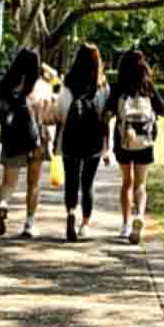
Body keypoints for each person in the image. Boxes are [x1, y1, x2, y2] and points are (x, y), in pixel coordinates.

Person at [52, 43, 112, 241]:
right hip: (93, 140)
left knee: (71, 180)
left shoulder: (68, 84)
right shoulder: (102, 86)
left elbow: (60, 113)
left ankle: (71, 213)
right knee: (87, 183)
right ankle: (85, 225)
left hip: (70, 138)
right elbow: (106, 115)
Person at [109, 49, 164, 244]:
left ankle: (125, 225)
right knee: (140, 184)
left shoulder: (118, 88)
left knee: (126, 182)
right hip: (145, 142)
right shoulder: (148, 86)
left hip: (123, 141)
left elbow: (107, 111)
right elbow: (162, 107)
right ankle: (139, 216)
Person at [0, 47, 46, 238]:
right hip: (34, 138)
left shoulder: (3, 85)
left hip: (11, 138)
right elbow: (44, 113)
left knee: (8, 182)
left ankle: (3, 204)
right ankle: (29, 224)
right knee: (33, 183)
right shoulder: (37, 86)